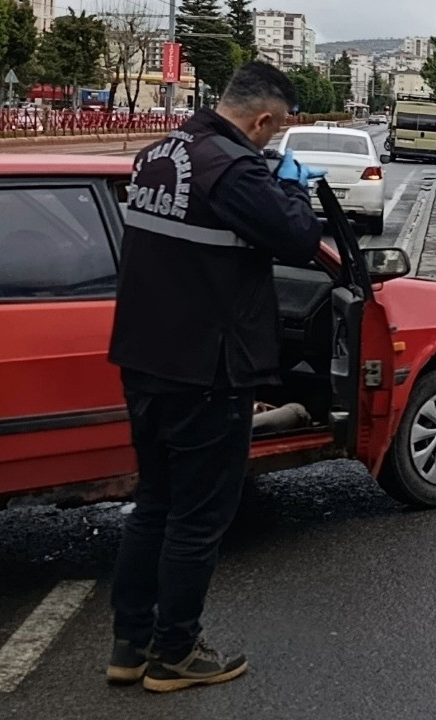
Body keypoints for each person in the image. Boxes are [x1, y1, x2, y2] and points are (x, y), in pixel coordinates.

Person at [105, 61, 325, 693]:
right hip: (207, 370)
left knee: (154, 505)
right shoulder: (233, 169)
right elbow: (299, 237)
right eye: (276, 131)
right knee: (198, 520)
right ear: (261, 119)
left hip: (144, 359)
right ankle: (175, 654)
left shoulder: (157, 155)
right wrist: (290, 186)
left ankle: (130, 644)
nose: (274, 141)